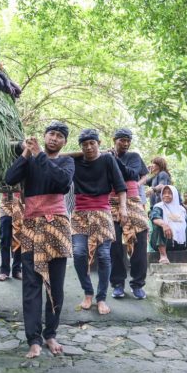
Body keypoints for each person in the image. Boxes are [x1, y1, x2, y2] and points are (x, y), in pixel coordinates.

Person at [5, 121, 74, 359]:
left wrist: (38, 155)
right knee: (31, 285)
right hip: (31, 226)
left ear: (64, 141)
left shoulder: (67, 162)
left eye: (59, 136)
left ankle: (50, 334)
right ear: (45, 136)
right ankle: (33, 339)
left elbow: (62, 183)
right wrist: (26, 153)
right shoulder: (30, 160)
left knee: (55, 284)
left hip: (57, 226)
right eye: (51, 134)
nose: (54, 138)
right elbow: (9, 177)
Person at [70, 129, 126, 315]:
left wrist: (124, 209)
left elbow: (120, 186)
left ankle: (101, 298)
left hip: (102, 212)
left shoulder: (107, 159)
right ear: (80, 147)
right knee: (78, 253)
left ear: (99, 143)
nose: (88, 147)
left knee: (103, 255)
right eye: (84, 145)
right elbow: (53, 158)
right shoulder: (75, 160)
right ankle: (88, 292)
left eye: (92, 143)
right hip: (79, 213)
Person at [109, 128, 150, 300]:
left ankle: (138, 283)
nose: (125, 143)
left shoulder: (133, 157)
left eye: (128, 140)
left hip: (133, 201)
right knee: (115, 241)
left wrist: (114, 160)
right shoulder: (105, 156)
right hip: (111, 201)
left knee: (140, 238)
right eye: (122, 140)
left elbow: (132, 174)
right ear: (114, 140)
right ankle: (118, 283)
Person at [149, 185, 187, 264]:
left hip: (182, 243)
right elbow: (154, 217)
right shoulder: (158, 207)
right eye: (164, 193)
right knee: (159, 223)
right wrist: (164, 225)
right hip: (164, 241)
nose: (166, 195)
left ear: (175, 195)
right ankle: (163, 255)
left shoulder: (182, 209)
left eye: (169, 193)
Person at [0, 191, 23, 281]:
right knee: (5, 238)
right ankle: (4, 271)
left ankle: (16, 270)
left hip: (19, 206)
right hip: (5, 207)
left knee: (19, 239)